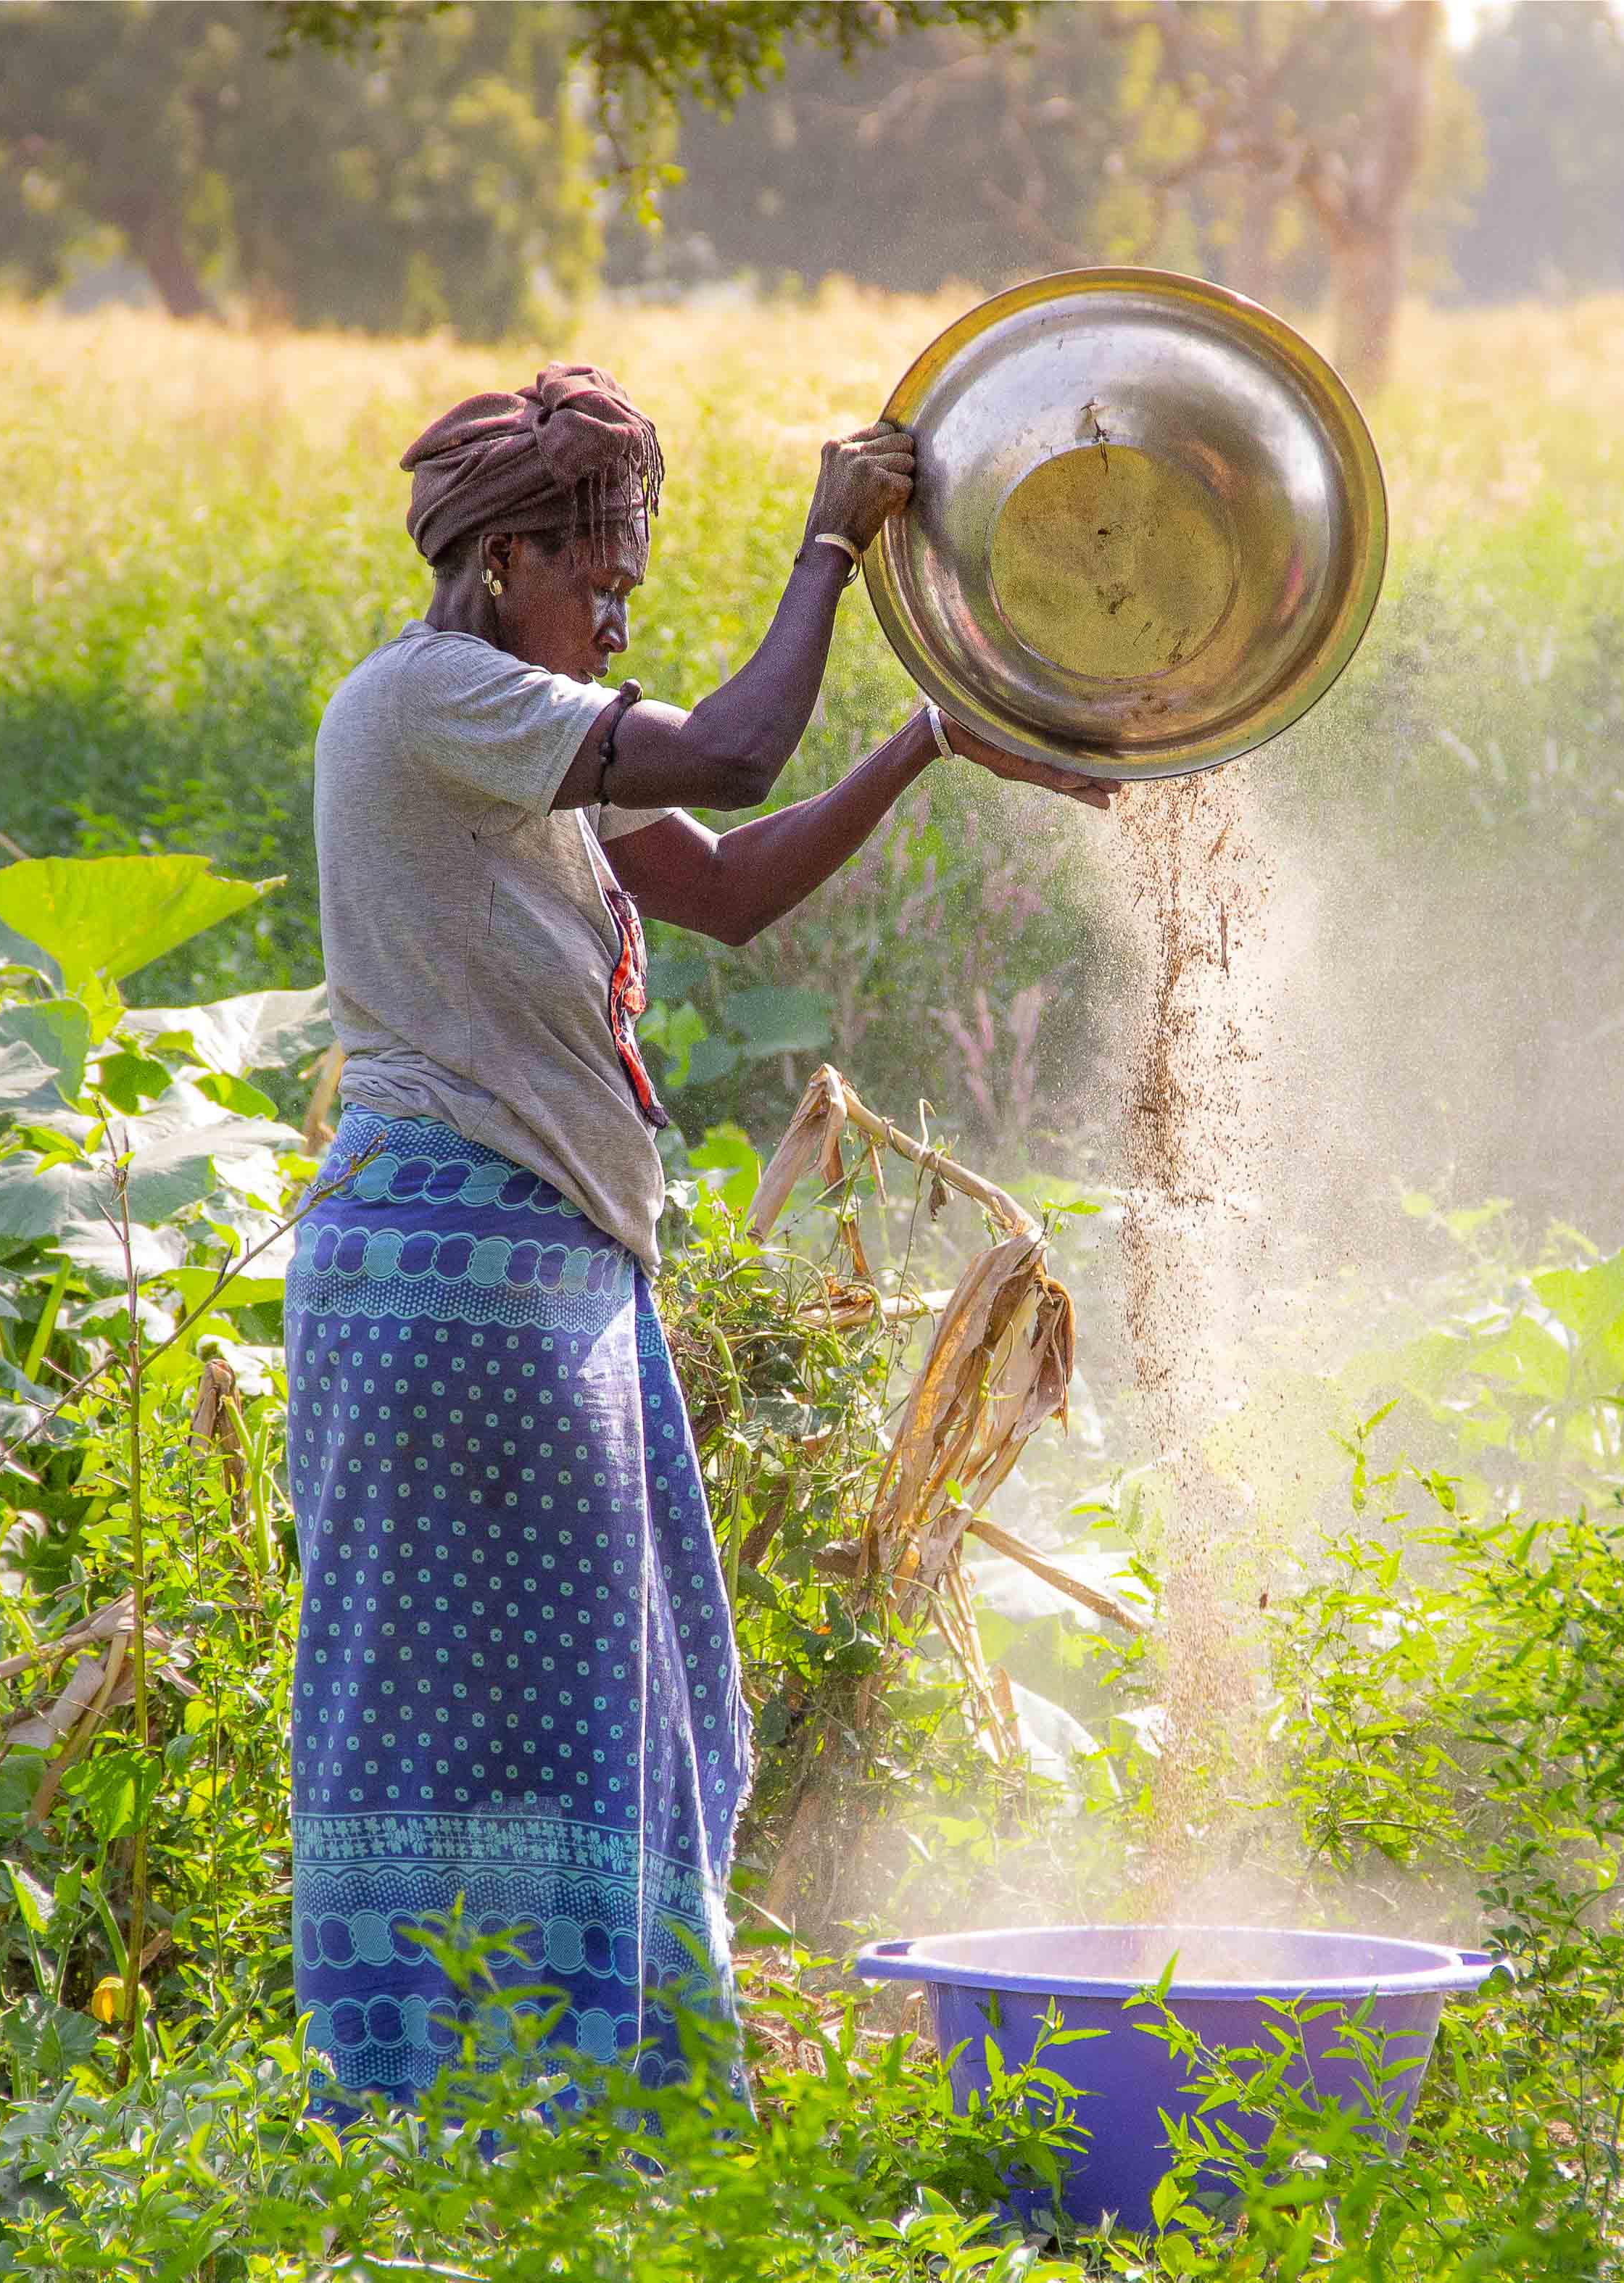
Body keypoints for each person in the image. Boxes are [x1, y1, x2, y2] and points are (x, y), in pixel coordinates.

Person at [285, 363, 1107, 2117]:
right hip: (468, 1276)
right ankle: (516, 2104)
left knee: (594, 1695)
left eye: (631, 582)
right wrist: (825, 548)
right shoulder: (440, 698)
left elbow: (725, 881)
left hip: (529, 1279)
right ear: (503, 559)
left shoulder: (517, 733)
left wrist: (931, 735)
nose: (616, 612)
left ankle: (532, 2103)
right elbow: (728, 747)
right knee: (535, 1709)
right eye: (597, 577)